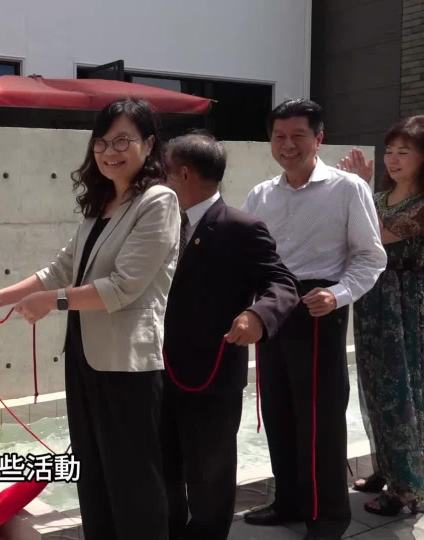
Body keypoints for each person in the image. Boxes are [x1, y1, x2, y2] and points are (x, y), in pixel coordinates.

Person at [0, 99, 179, 540]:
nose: (110, 151)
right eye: (102, 142)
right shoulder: (101, 205)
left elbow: (123, 286)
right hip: (85, 357)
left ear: (149, 144)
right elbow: (60, 270)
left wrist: (52, 303)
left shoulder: (158, 201)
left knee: (133, 477)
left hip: (127, 364)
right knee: (92, 469)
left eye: (123, 140)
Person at [241, 100, 386, 539]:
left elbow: (370, 257)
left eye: (298, 136)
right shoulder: (261, 195)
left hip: (319, 308)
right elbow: (249, 255)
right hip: (273, 306)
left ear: (318, 139)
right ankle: (288, 501)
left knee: (320, 418)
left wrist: (338, 295)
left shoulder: (347, 189)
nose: (288, 145)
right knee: (278, 409)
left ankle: (327, 517)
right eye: (279, 137)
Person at [161, 133, 299, 540]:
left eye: (164, 172)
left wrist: (257, 315)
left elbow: (282, 283)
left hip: (212, 370)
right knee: (163, 462)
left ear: (183, 173)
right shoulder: (159, 223)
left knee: (210, 470)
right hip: (156, 367)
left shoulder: (240, 227)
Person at [339, 118, 424, 516]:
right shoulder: (380, 197)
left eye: (404, 152)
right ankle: (386, 468)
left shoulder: (420, 203)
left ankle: (407, 487)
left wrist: (358, 186)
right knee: (374, 388)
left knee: (402, 391)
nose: (393, 159)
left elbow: (376, 235)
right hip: (374, 302)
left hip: (406, 306)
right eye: (390, 151)